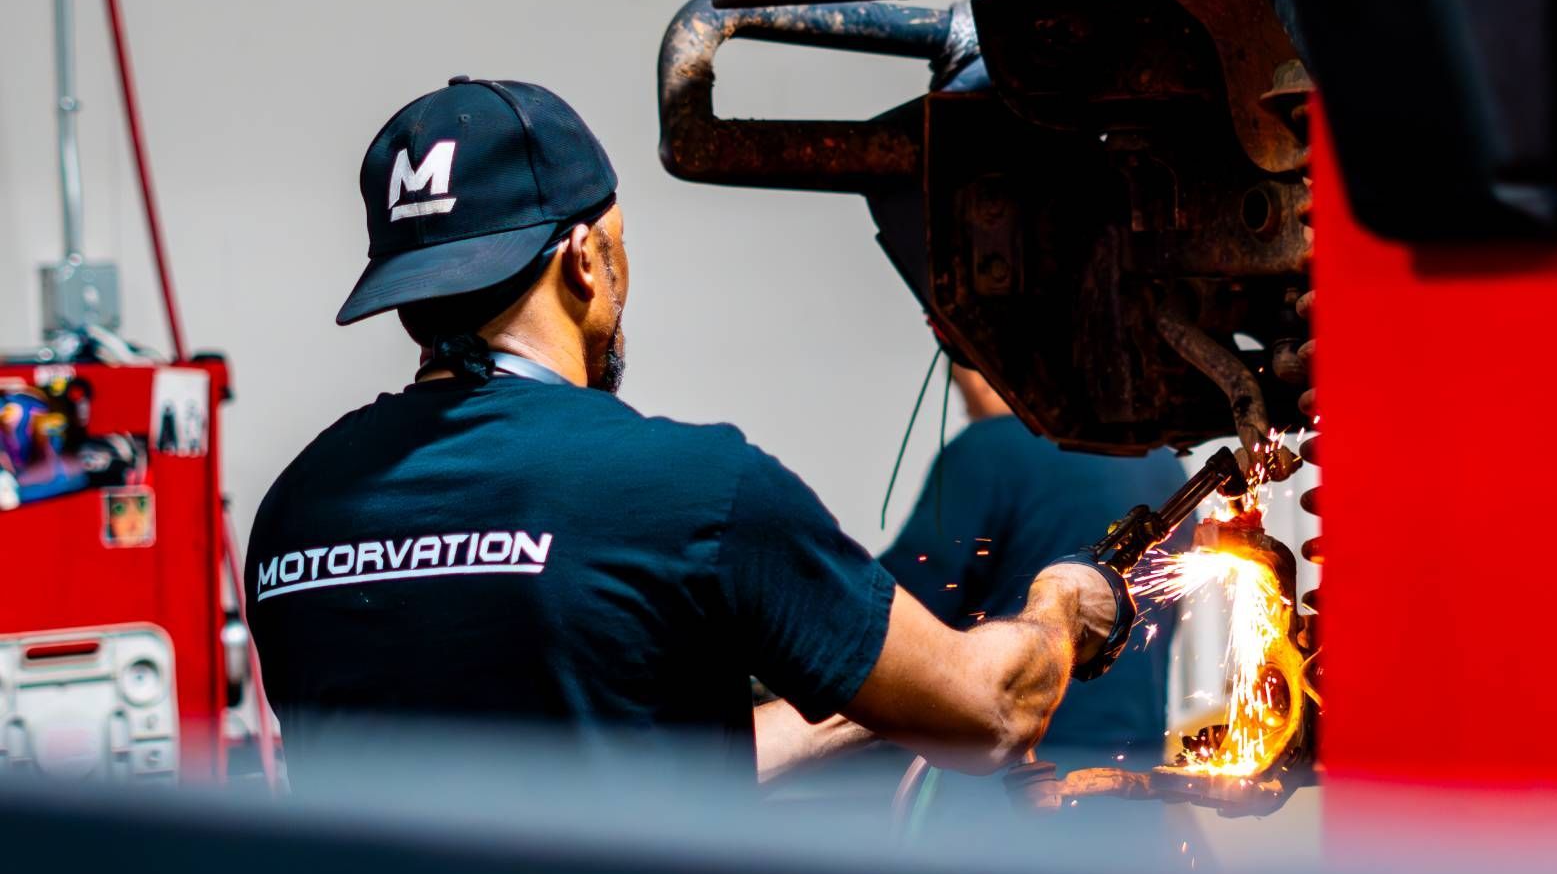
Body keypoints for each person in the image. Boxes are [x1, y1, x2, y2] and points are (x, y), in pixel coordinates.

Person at [244, 77, 1128, 780]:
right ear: (586, 259)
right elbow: (994, 713)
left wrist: (870, 689)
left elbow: (629, 758)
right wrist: (1060, 606)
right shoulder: (687, 490)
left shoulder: (295, 512)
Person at [880, 361, 1188, 766]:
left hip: (1005, 788)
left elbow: (894, 613)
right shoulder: (1162, 461)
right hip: (1134, 775)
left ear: (986, 370)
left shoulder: (987, 450)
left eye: (961, 377)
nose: (963, 402)